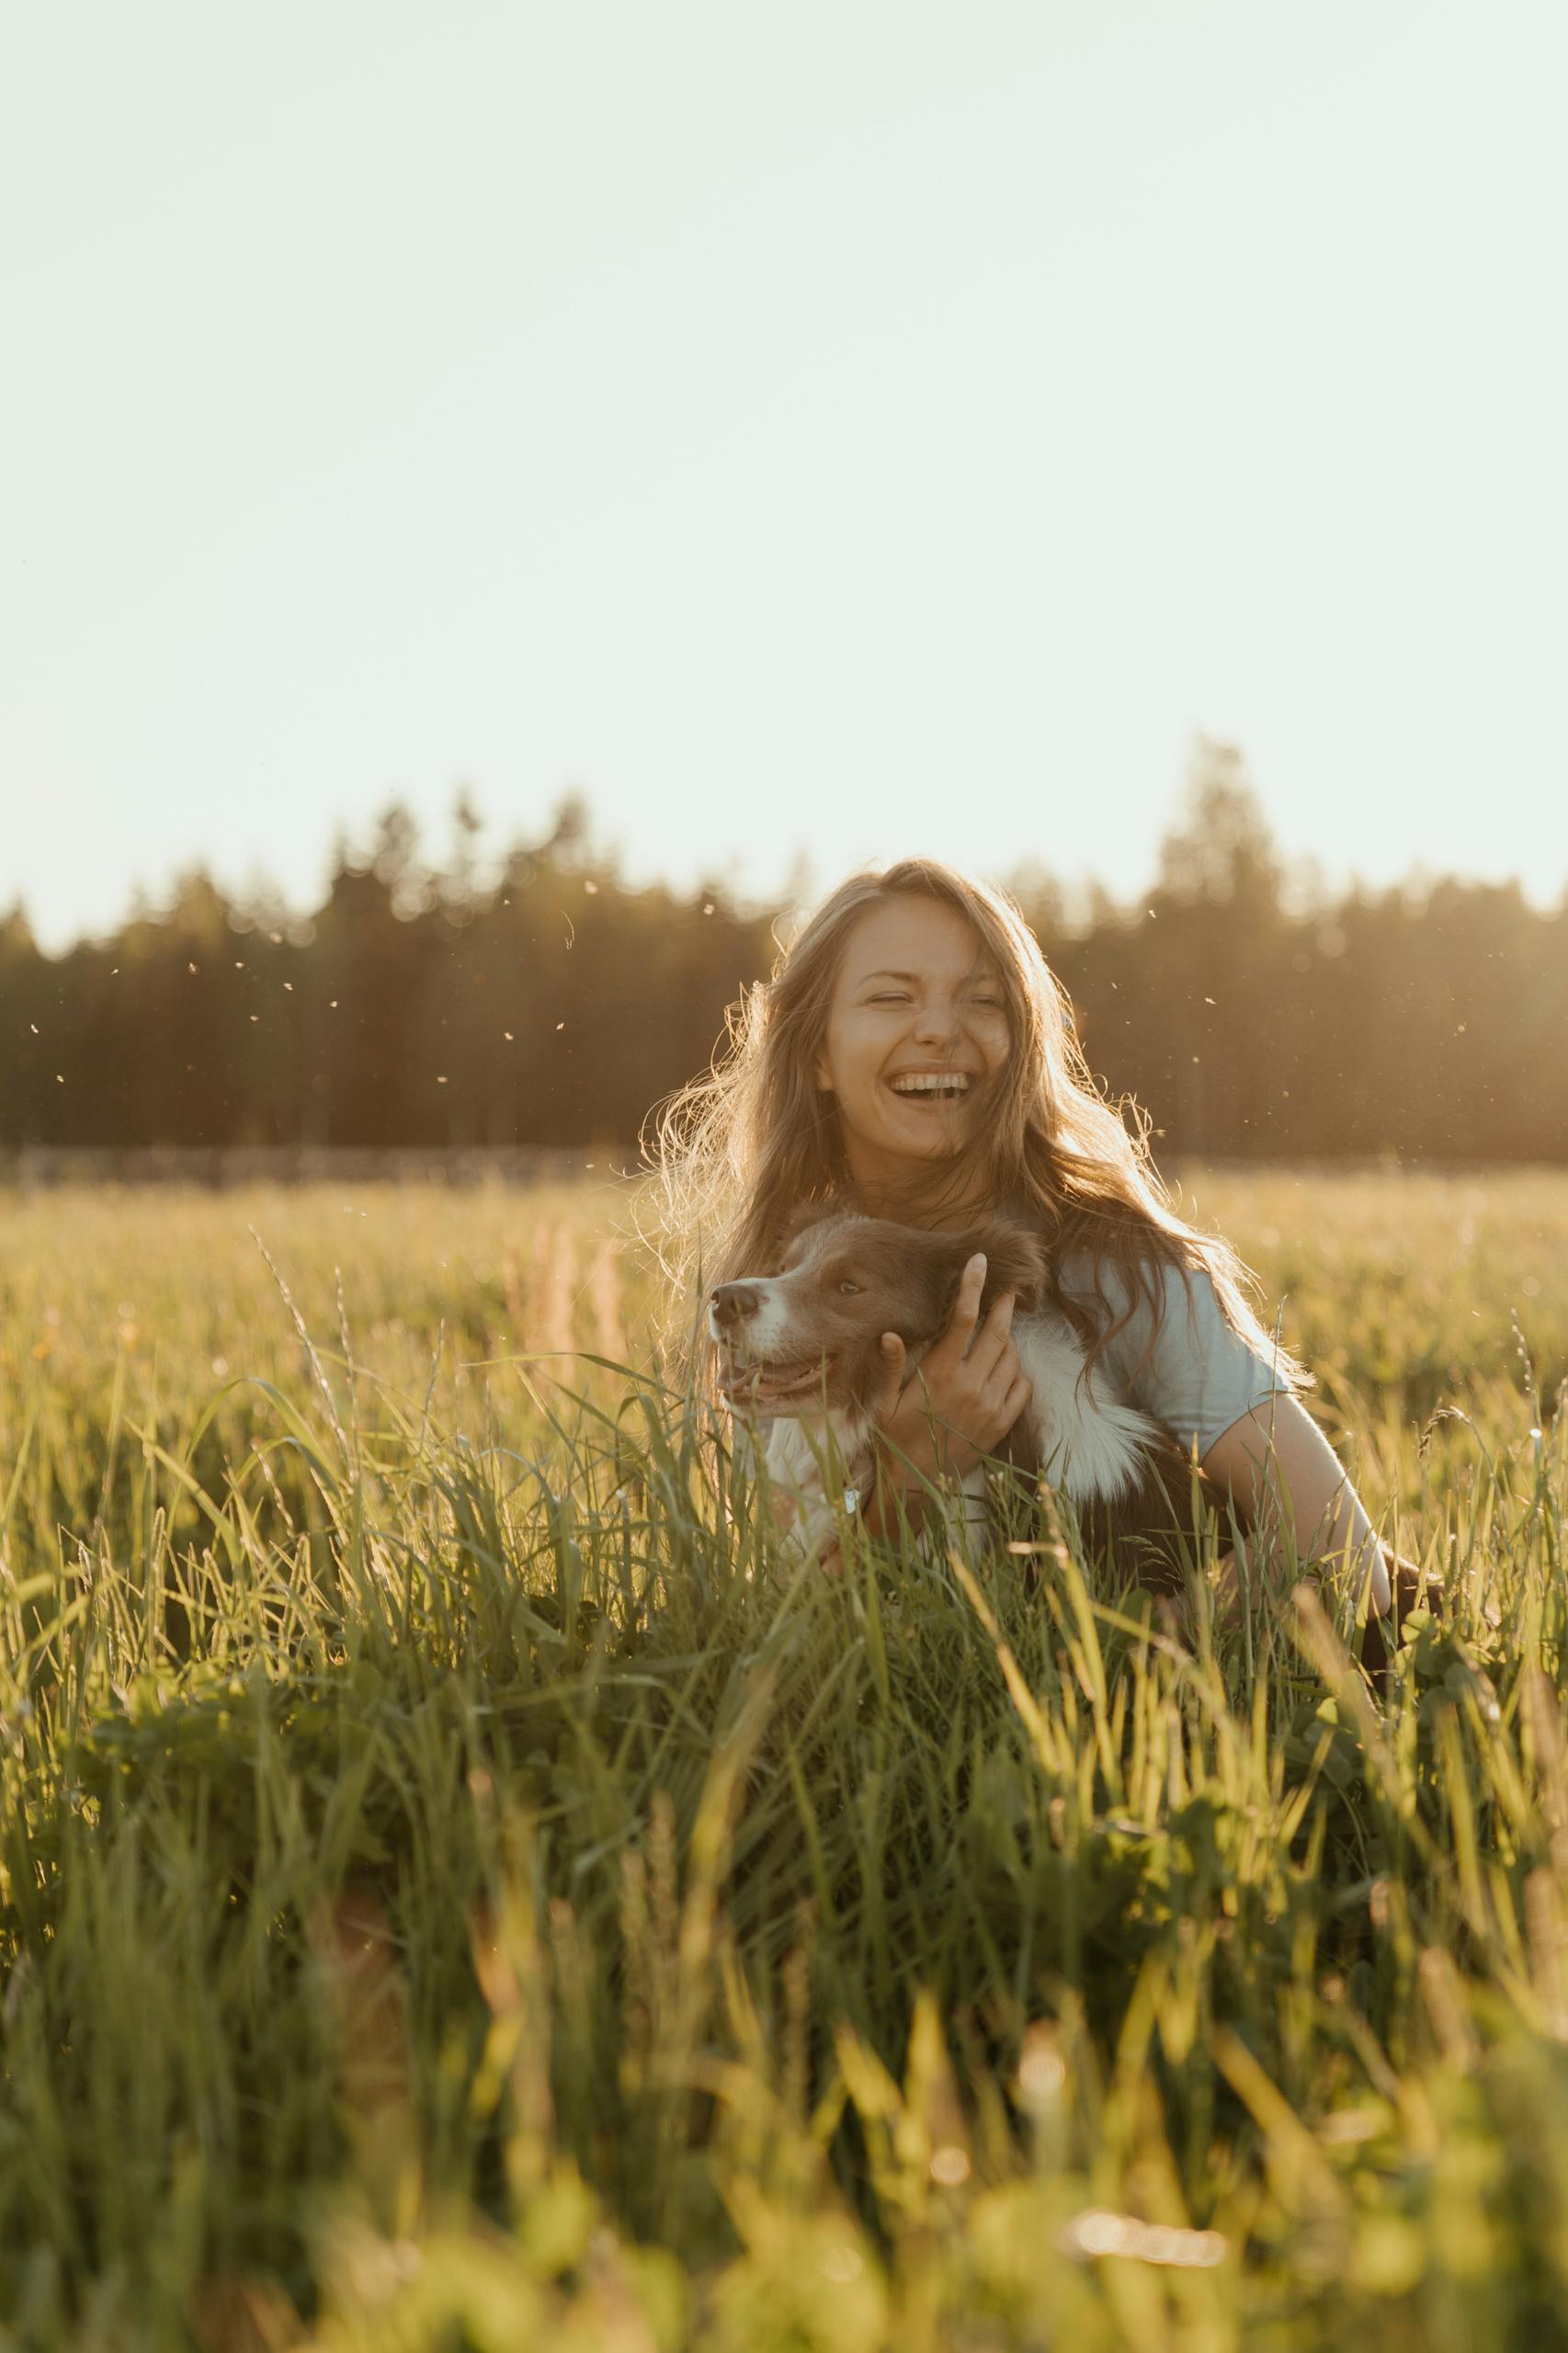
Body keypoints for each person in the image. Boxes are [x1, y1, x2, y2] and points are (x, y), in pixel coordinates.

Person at [641, 858, 1427, 1665]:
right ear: (814, 1053)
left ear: (1021, 1043)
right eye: (891, 996)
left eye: (982, 1000)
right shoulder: (778, 1299)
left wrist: (1150, 1659)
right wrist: (907, 1473)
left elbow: (1340, 1547)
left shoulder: (1122, 1271)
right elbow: (785, 1630)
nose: (940, 1029)